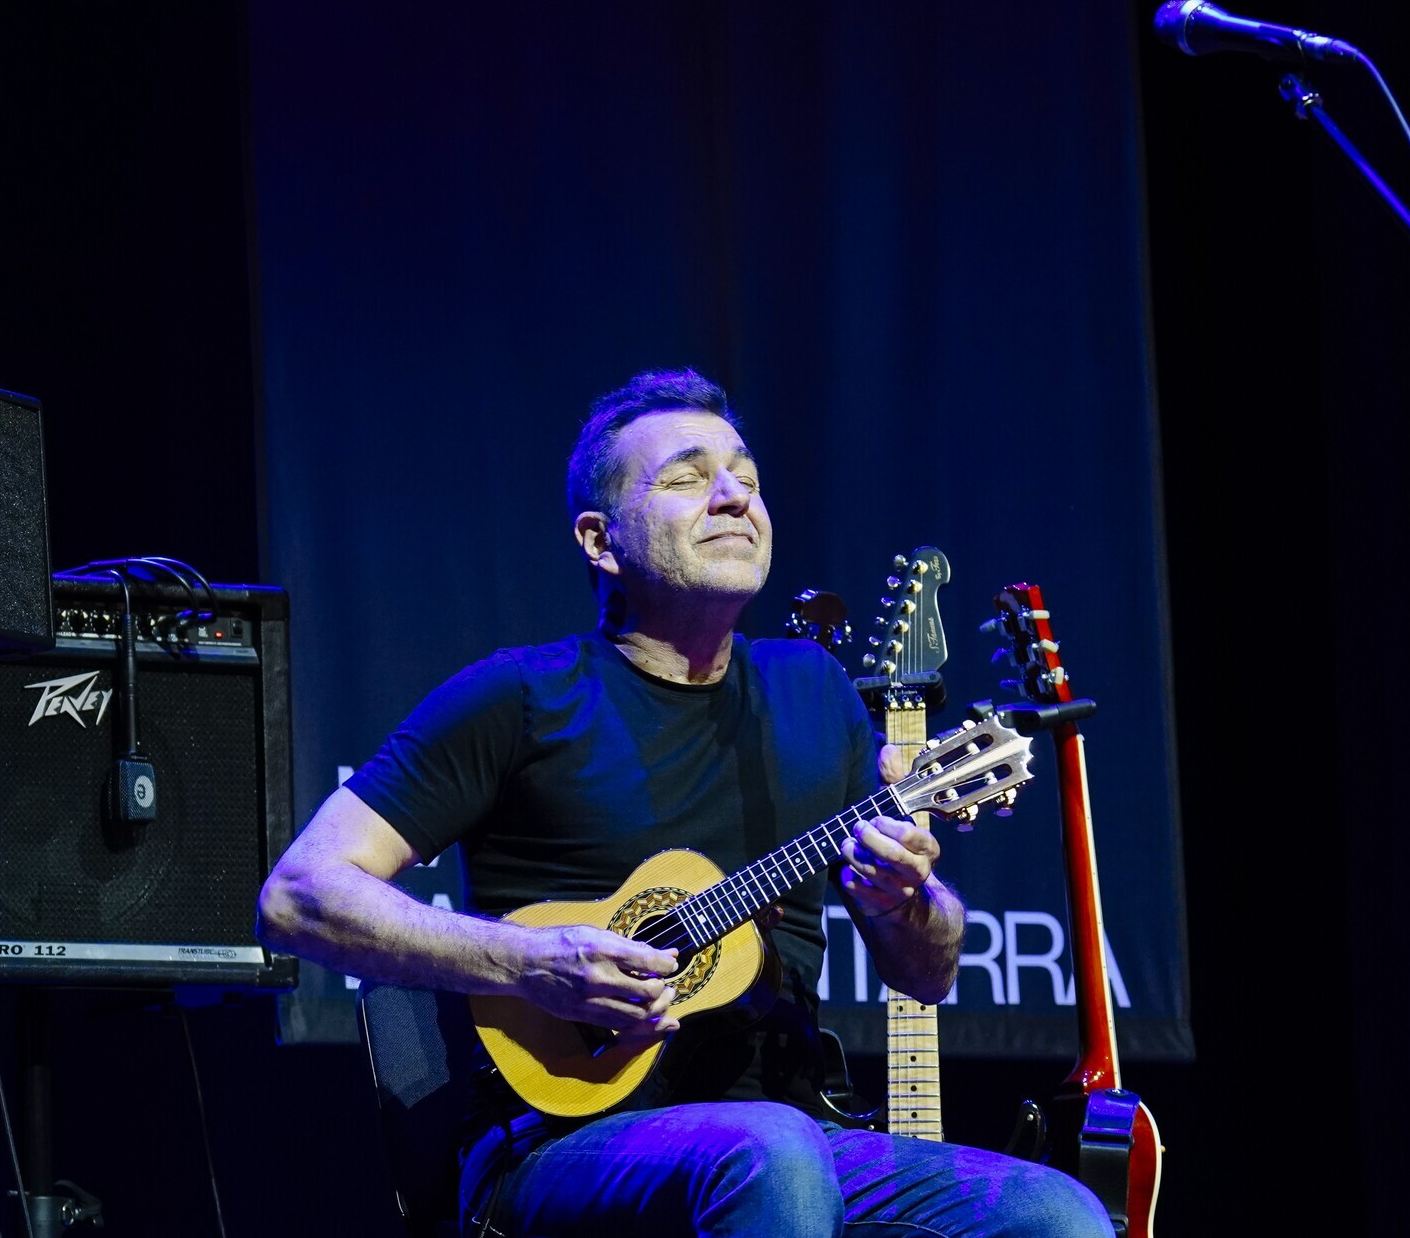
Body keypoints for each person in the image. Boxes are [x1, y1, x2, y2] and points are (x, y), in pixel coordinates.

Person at [257, 368, 1112, 1238]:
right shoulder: (519, 698)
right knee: (770, 1155)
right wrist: (527, 963)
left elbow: (925, 973)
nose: (734, 496)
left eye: (745, 474)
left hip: (806, 1133)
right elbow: (299, 897)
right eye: (686, 478)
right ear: (599, 539)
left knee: (1060, 1214)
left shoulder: (814, 691)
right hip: (562, 1138)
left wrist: (910, 904)